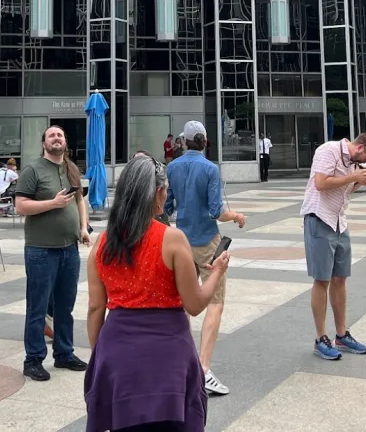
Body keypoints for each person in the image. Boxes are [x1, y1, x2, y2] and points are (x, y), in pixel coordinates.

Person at [85, 155, 230, 432]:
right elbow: (196, 303)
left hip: (117, 349)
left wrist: (101, 354)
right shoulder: (172, 239)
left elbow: (95, 308)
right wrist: (218, 271)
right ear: (159, 193)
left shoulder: (103, 243)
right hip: (168, 352)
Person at [163, 121, 246, 396]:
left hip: (180, 240)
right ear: (205, 141)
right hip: (209, 242)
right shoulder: (211, 169)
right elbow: (216, 211)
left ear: (184, 142)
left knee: (184, 302)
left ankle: (182, 362)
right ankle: (204, 367)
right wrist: (235, 216)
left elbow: (166, 206)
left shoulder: (172, 168)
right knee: (215, 302)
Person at [14, 125, 92, 382]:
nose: (56, 138)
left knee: (65, 307)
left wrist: (83, 228)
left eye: (60, 135)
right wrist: (53, 203)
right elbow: (21, 206)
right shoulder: (32, 170)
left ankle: (64, 353)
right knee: (37, 307)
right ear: (44, 142)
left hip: (69, 249)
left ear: (65, 141)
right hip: (40, 250)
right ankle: (33, 359)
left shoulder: (71, 168)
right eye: (51, 135)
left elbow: (80, 200)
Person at [301, 132, 366, 361]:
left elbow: (343, 189)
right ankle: (320, 338)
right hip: (319, 218)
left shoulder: (354, 163)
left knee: (340, 278)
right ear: (361, 147)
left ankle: (341, 334)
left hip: (339, 220)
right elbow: (320, 183)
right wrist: (351, 177)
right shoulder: (328, 151)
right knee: (322, 279)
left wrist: (357, 182)